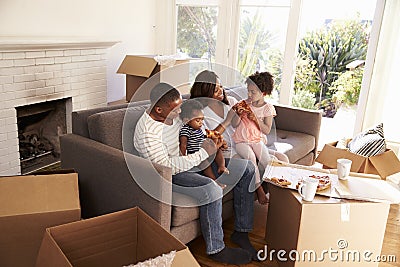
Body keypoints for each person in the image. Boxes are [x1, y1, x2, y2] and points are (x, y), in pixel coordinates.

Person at [134, 82, 258, 264]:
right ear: (159, 110)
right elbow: (166, 167)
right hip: (171, 174)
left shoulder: (171, 114)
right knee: (212, 189)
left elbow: (193, 129)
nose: (179, 113)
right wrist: (203, 153)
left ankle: (241, 232)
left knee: (246, 168)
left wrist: (213, 142)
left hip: (194, 161)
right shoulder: (147, 133)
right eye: (175, 110)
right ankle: (216, 249)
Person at [190, 70, 289, 205]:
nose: (220, 91)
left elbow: (246, 124)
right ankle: (259, 190)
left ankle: (284, 195)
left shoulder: (230, 101)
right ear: (204, 93)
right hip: (227, 150)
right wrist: (227, 121)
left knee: (282, 158)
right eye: (215, 90)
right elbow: (209, 139)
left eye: (220, 87)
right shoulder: (200, 114)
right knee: (250, 163)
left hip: (245, 141)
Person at [231, 71, 289, 204]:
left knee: (267, 161)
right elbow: (234, 124)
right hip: (241, 141)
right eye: (248, 91)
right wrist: (238, 115)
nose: (249, 95)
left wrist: (255, 118)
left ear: (263, 93)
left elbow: (267, 130)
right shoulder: (243, 104)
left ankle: (279, 190)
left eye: (253, 92)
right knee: (251, 158)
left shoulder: (267, 108)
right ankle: (259, 191)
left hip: (256, 140)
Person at [179, 100, 228, 189]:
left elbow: (205, 136)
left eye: (202, 119)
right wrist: (183, 158)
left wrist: (215, 141)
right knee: (204, 163)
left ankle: (222, 166)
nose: (201, 123)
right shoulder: (185, 130)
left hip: (205, 149)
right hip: (196, 153)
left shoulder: (199, 129)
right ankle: (214, 181)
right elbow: (183, 145)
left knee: (217, 150)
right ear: (186, 120)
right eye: (198, 120)